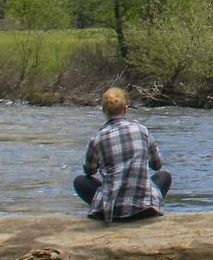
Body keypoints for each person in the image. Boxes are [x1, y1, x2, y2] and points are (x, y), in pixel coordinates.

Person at [73, 88, 172, 221]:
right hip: (144, 208)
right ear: (125, 109)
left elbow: (89, 171)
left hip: (112, 210)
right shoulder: (142, 130)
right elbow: (157, 165)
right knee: (164, 176)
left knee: (80, 181)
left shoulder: (97, 138)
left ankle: (108, 208)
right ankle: (149, 205)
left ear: (104, 112)